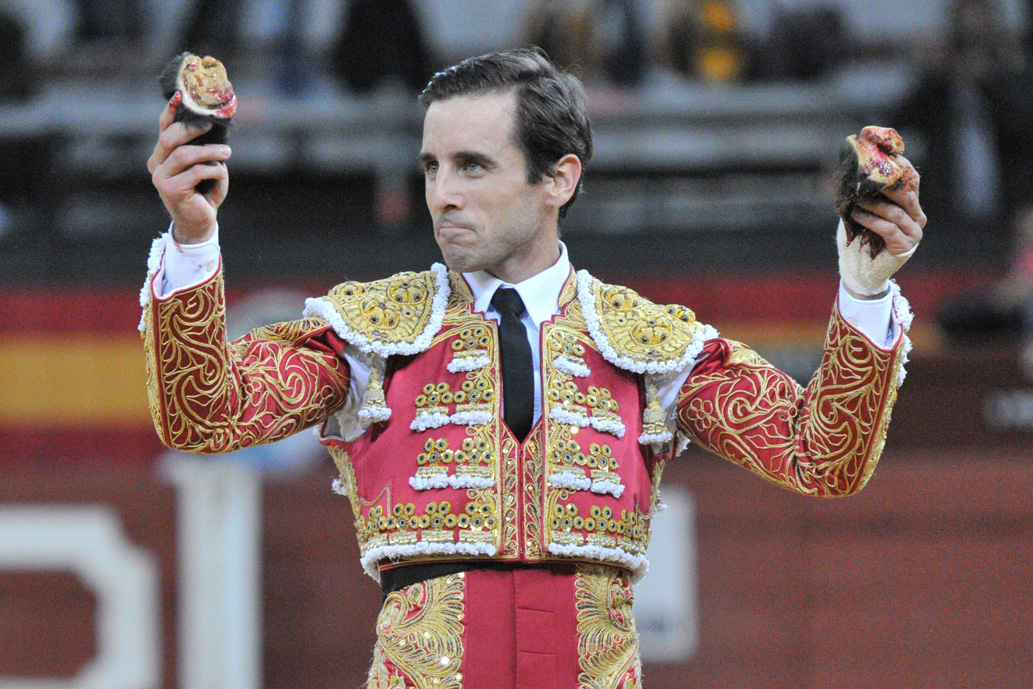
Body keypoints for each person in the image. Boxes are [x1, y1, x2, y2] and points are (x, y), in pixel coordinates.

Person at [142, 47, 924, 688]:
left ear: (560, 178)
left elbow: (820, 457)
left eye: (472, 167)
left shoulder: (650, 343)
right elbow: (206, 414)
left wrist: (863, 292)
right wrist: (192, 239)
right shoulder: (368, 335)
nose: (442, 194)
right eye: (430, 167)